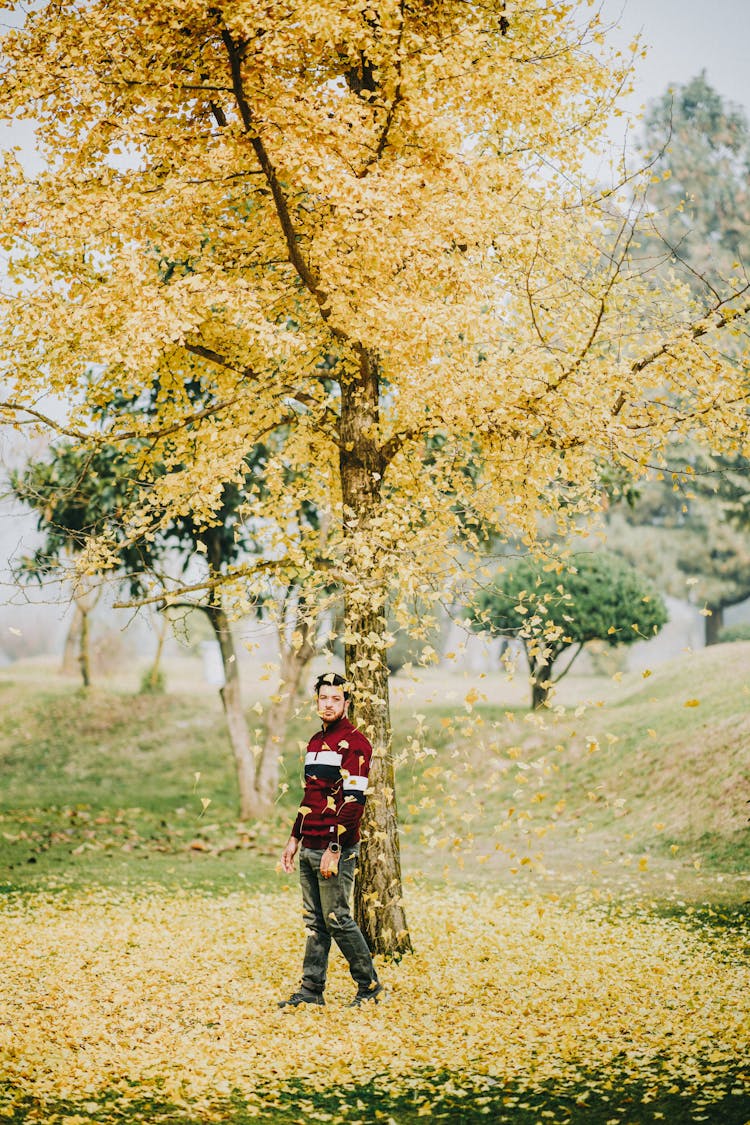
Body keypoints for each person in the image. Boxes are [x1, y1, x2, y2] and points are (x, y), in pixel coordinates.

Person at [279, 672, 383, 1008]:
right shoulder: (313, 743)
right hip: (308, 843)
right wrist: (294, 839)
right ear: (317, 701)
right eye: (324, 698)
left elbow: (354, 803)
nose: (328, 704)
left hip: (333, 846)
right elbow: (310, 797)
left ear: (346, 703)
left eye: (336, 699)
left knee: (337, 918)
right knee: (315, 921)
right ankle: (311, 991)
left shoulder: (356, 744)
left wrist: (335, 849)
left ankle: (369, 988)